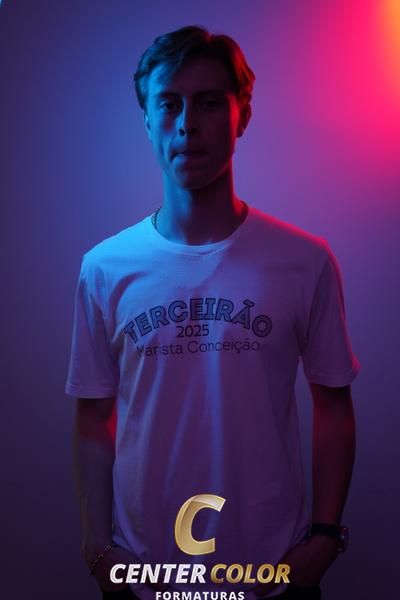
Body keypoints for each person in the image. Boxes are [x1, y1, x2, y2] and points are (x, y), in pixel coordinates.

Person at [66, 25, 361, 600]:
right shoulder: (104, 268)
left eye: (207, 102)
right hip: (144, 576)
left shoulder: (304, 261)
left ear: (241, 114)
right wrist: (96, 546)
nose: (187, 124)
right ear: (147, 119)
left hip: (272, 575)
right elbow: (93, 417)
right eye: (168, 104)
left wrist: (326, 538)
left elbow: (333, 405)